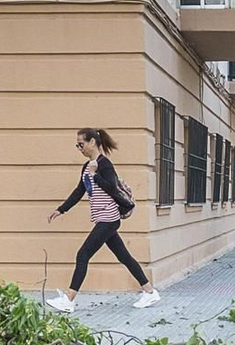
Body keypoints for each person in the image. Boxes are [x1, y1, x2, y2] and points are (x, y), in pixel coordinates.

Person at [45, 128, 159, 312]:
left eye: (81, 144)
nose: (79, 148)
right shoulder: (86, 167)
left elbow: (112, 189)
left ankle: (69, 300)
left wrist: (96, 174)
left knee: (83, 254)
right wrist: (61, 210)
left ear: (92, 142)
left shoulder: (104, 164)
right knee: (124, 256)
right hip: (102, 219)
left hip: (109, 218)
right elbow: (79, 191)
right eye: (77, 145)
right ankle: (149, 291)